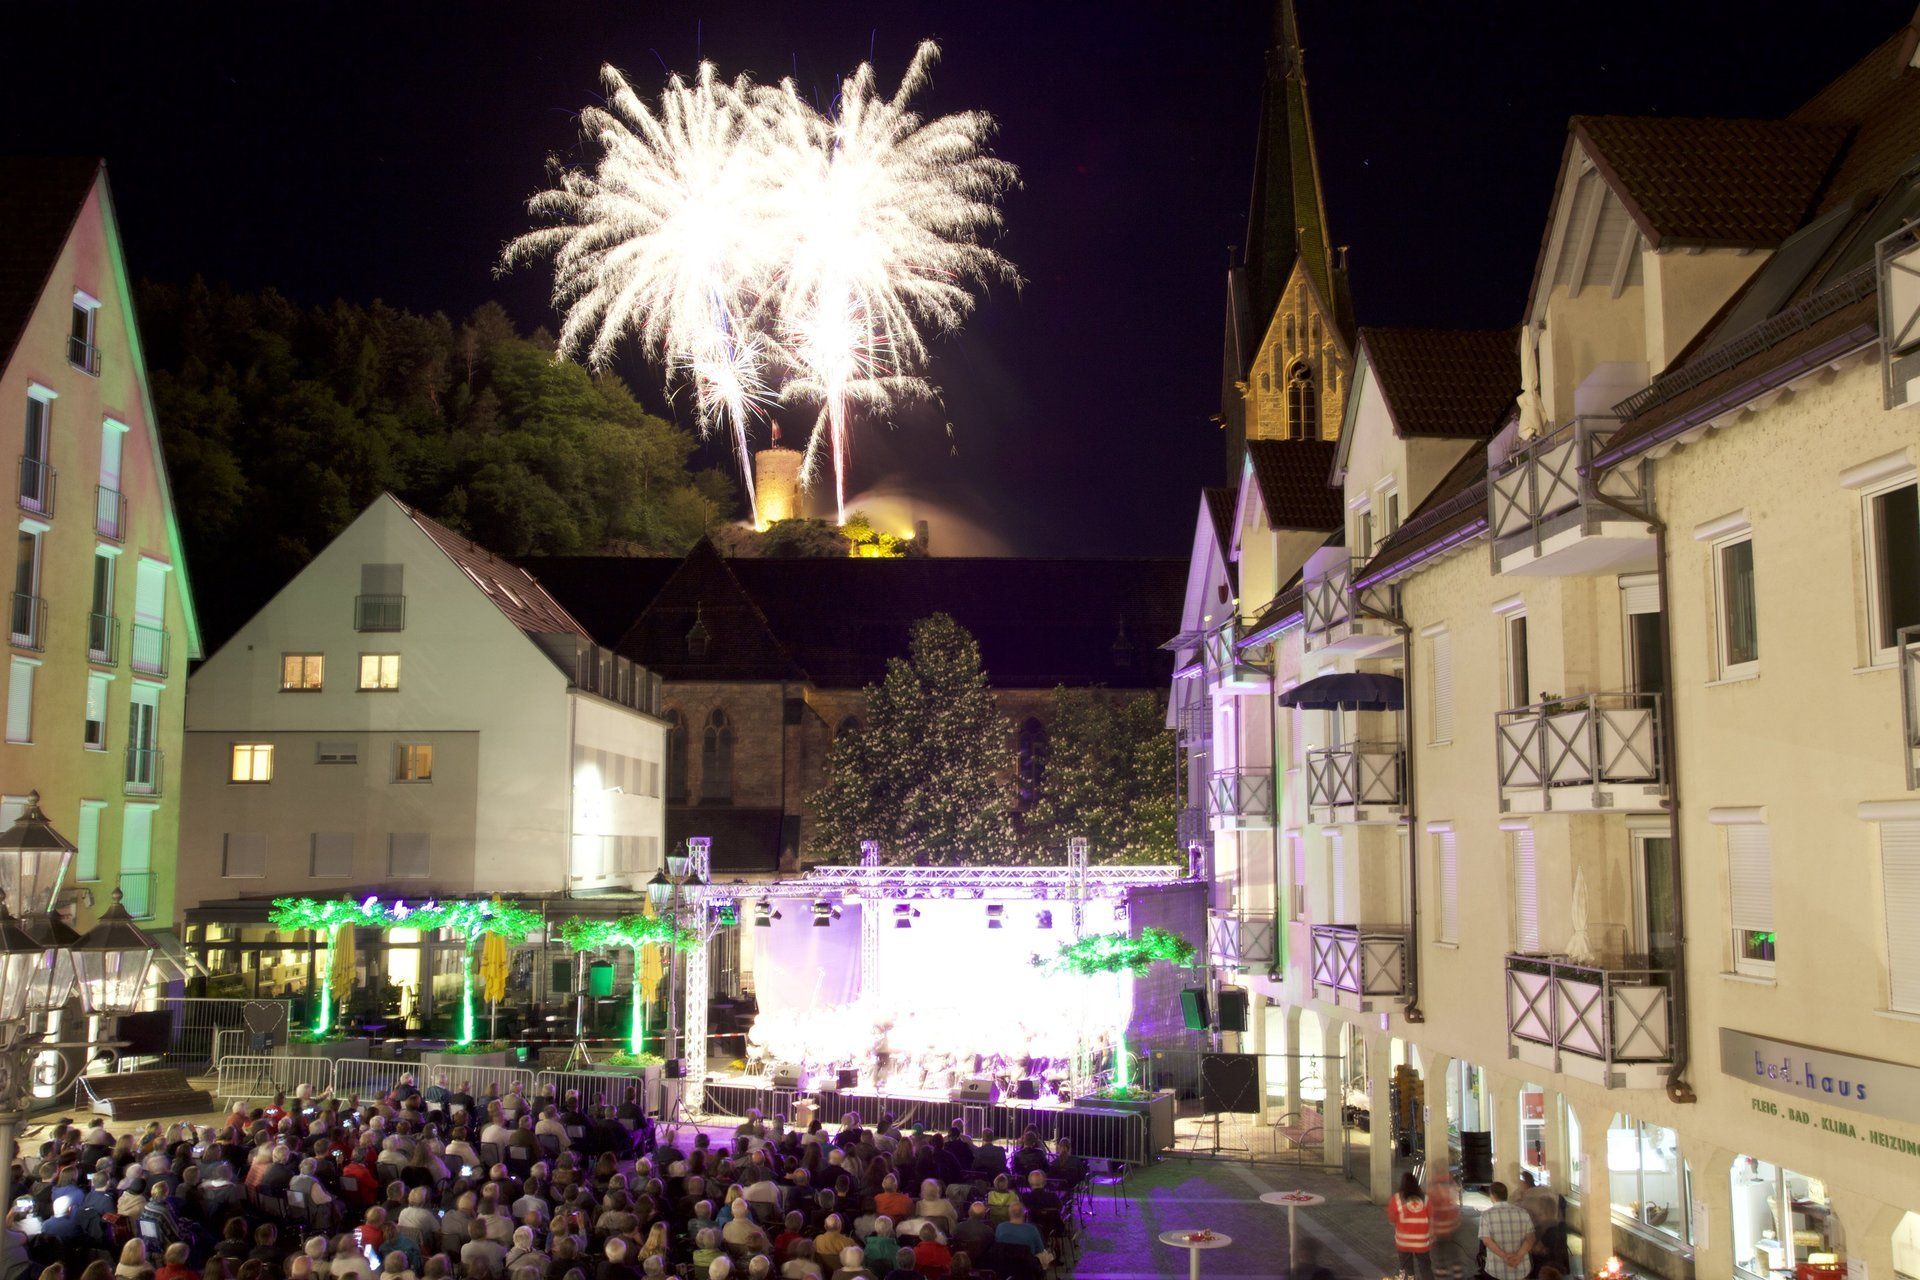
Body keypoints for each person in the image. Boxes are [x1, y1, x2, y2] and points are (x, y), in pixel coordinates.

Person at [1477, 1183, 1534, 1280]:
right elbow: (1531, 1239)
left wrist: (1505, 1257)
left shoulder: (1486, 1215)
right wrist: (1518, 1257)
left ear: (1492, 1195)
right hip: (1521, 1269)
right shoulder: (1523, 1213)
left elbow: (1486, 1241)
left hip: (1496, 1270)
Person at [1386, 1171, 1433, 1280]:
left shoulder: (1396, 1199)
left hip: (1403, 1242)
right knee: (1425, 1268)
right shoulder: (1425, 1198)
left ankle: (1411, 1277)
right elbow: (1431, 1217)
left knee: (1408, 1270)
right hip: (1422, 1242)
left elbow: (1392, 1220)